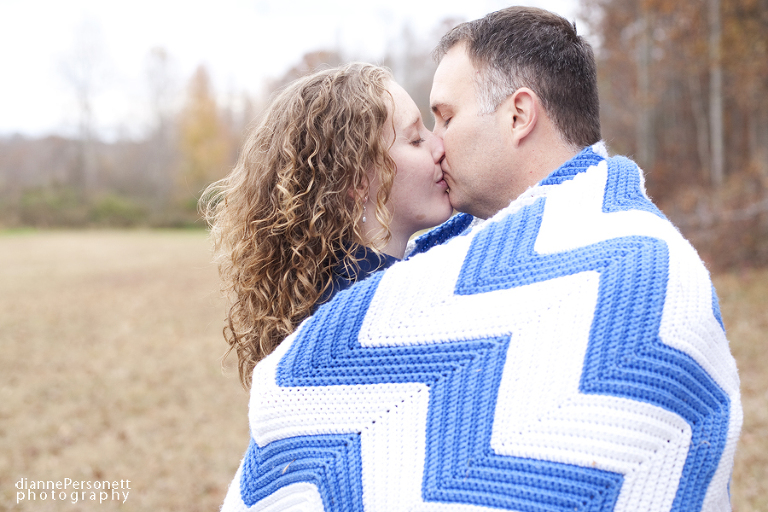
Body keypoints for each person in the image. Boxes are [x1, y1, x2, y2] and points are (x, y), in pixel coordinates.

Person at [222, 8, 742, 512]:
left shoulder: (643, 268)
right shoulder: (432, 274)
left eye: (443, 119)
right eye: (419, 133)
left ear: (518, 115)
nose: (437, 146)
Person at [202, 63, 451, 389]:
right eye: (416, 139)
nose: (439, 146)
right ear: (358, 180)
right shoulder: (361, 319)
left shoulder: (327, 293)